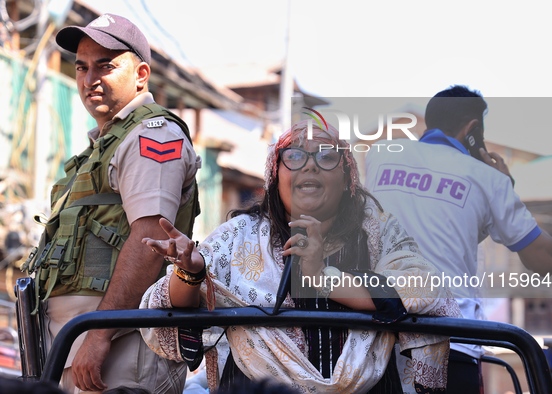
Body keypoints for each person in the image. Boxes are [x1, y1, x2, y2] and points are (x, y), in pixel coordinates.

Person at [140, 120, 461, 394]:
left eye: (325, 156)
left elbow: (424, 293)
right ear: (275, 174)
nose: (310, 164)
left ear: (348, 177)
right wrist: (190, 274)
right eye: (294, 155)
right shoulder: (238, 237)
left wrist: (321, 276)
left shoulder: (379, 232)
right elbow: (172, 315)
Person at [21, 13, 200, 393]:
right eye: (82, 67)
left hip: (119, 345)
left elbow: (150, 237)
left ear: (140, 74)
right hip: (79, 343)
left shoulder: (152, 135)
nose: (89, 79)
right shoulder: (105, 144)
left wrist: (99, 335)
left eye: (106, 65)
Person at [364, 85, 552, 393]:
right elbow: (544, 259)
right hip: (453, 341)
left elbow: (443, 226)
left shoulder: (379, 155)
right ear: (473, 129)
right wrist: (507, 186)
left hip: (379, 340)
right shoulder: (489, 180)